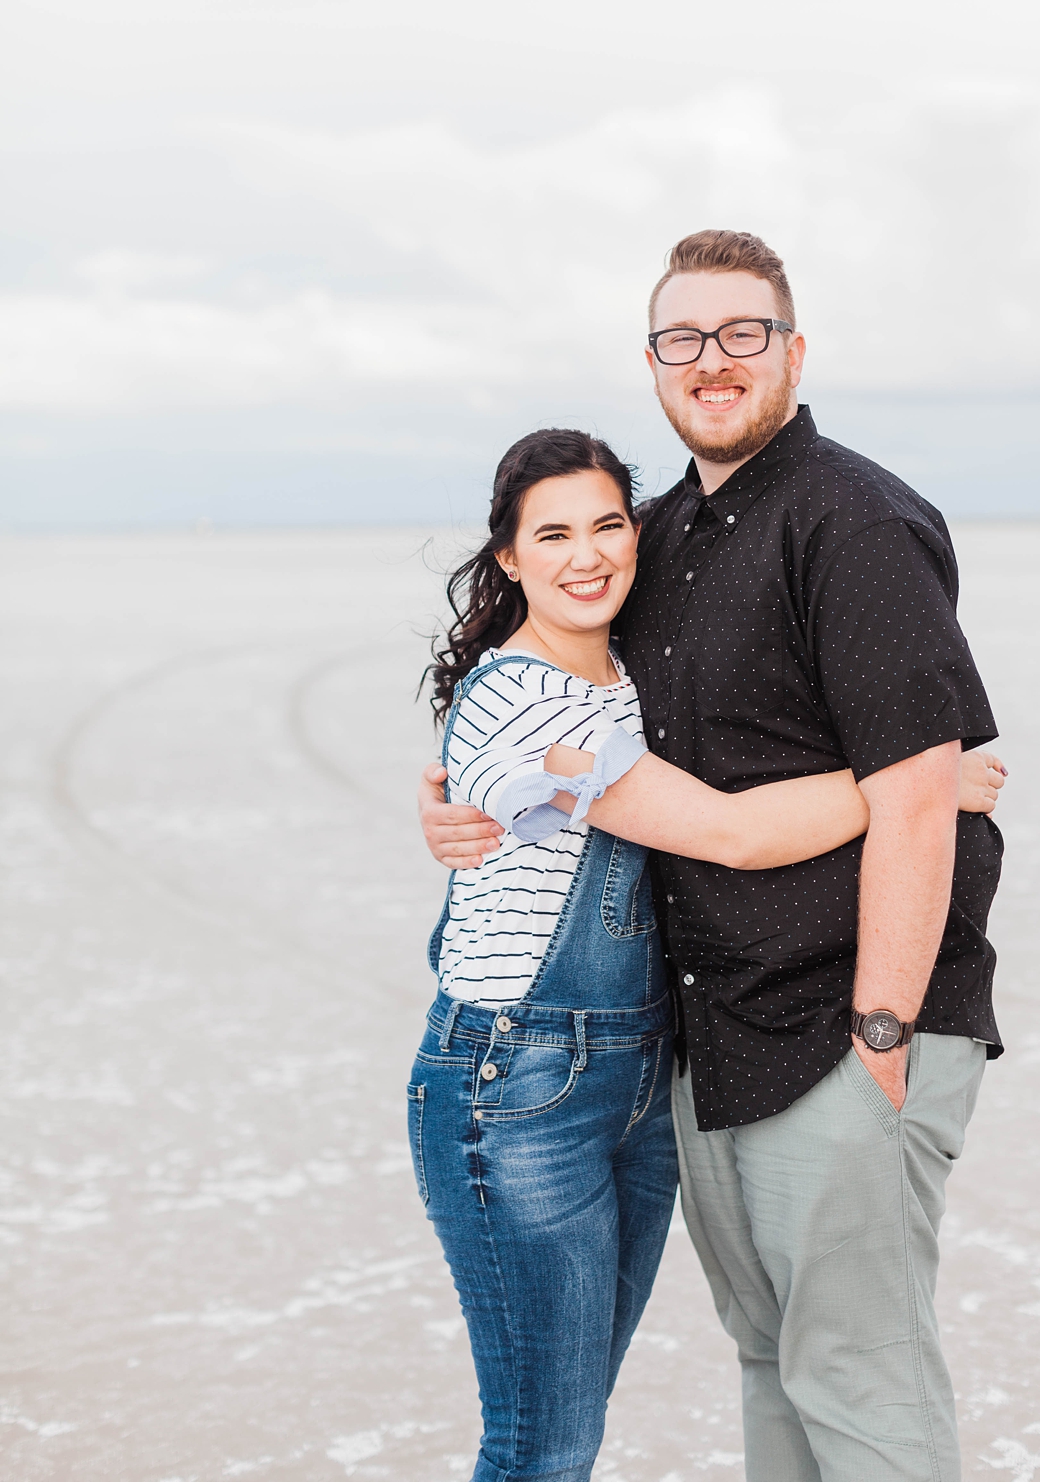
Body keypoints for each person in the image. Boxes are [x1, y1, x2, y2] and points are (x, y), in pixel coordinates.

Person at [412, 420, 1004, 1482]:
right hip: (518, 1077)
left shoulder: (620, 677)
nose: (586, 554)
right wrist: (916, 777)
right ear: (509, 557)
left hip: (638, 1075)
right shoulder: (523, 699)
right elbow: (729, 832)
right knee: (544, 1442)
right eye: (551, 535)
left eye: (606, 526)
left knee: (584, 1417)